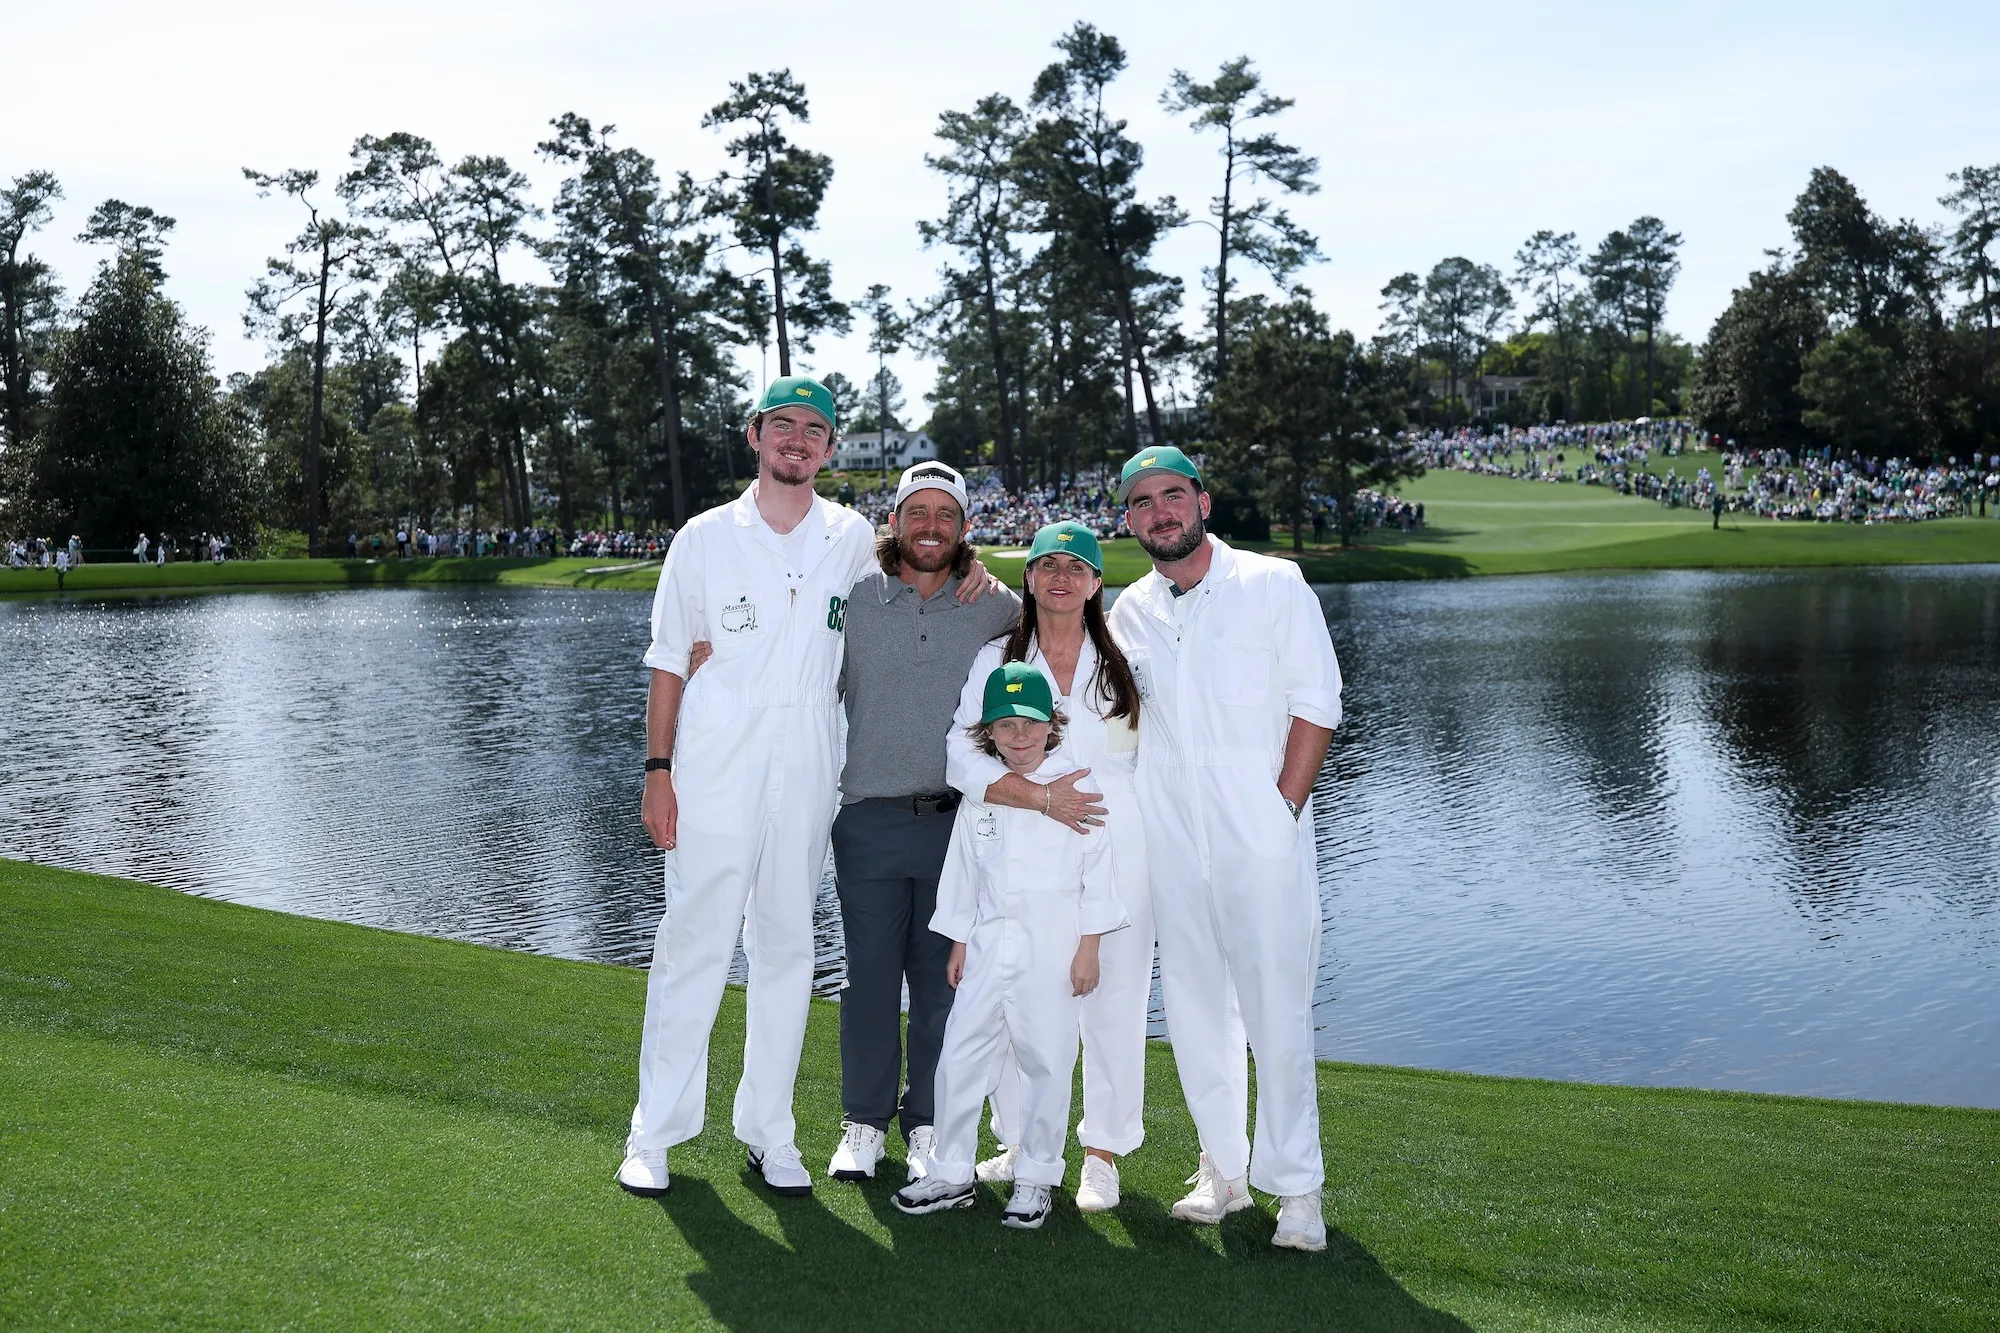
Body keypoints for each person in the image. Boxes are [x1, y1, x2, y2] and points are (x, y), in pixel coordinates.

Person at [618, 376, 996, 1201]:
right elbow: (670, 659)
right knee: (696, 944)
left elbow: (926, 558)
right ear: (754, 435)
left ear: (830, 447)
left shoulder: (852, 534)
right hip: (716, 760)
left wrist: (976, 571)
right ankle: (655, 1132)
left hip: (812, 760)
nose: (797, 440)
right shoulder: (706, 536)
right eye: (781, 425)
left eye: (814, 430)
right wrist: (657, 771)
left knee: (789, 948)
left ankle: (769, 1131)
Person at [1107, 445, 1342, 1254]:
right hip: (1172, 844)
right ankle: (1223, 1170)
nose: (1161, 511)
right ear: (1129, 519)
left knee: (1279, 1012)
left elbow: (1318, 705)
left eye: (1174, 494)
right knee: (1199, 1011)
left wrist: (1281, 812)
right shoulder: (1126, 611)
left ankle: (1298, 1189)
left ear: (1204, 501)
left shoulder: (1273, 584)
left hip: (1261, 840)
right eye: (1143, 501)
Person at [824, 461, 1020, 1186]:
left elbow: (1057, 631)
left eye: (946, 514)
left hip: (956, 826)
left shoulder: (993, 605)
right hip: (868, 819)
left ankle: (930, 1125)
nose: (931, 526)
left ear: (965, 527)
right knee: (868, 980)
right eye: (918, 512)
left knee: (943, 983)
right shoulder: (856, 596)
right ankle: (864, 1123)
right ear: (896, 519)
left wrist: (1001, 579)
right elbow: (795, 662)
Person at [946, 520, 1151, 1213]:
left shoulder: (1128, 655)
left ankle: (1101, 1151)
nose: (1061, 576)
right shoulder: (995, 658)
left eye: (1077, 565)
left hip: (1114, 846)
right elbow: (962, 755)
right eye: (1046, 564)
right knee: (1016, 997)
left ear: (1097, 582)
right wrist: (1038, 798)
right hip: (1022, 843)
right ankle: (1021, 1140)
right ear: (1028, 578)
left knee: (1113, 999)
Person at [891, 662, 1126, 1228]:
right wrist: (958, 943)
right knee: (960, 1058)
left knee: (1045, 1061)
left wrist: (1088, 947)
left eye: (1028, 722)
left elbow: (1099, 873)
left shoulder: (1079, 788)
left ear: (1051, 724)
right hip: (988, 949)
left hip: (1052, 952)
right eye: (1004, 725)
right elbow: (964, 874)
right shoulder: (984, 795)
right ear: (987, 733)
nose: (1018, 735)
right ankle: (951, 1171)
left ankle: (1038, 1177)